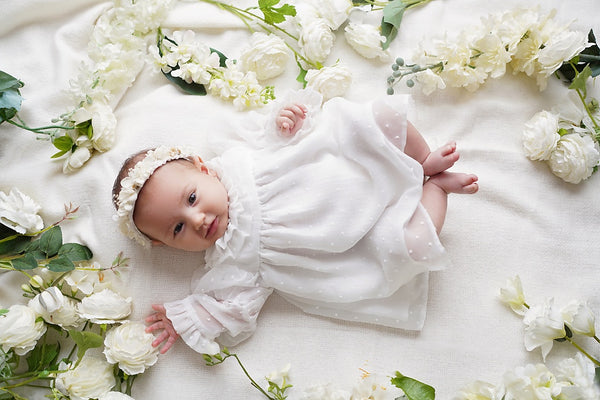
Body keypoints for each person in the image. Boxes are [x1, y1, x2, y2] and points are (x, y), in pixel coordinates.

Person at [112, 89, 478, 355]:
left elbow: (275, 134)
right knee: (410, 246)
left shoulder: (236, 156)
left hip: (354, 167)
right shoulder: (230, 264)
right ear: (166, 246)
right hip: (356, 241)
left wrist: (286, 120)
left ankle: (424, 161)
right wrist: (188, 315)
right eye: (177, 229)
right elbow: (233, 308)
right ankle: (437, 190)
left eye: (191, 199)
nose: (197, 219)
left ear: (203, 168)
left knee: (377, 117)